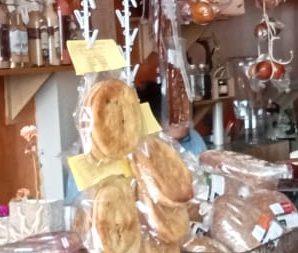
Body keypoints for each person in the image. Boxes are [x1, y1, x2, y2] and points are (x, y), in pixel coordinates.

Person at [62, 76, 205, 201]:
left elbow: (204, 186)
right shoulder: (96, 157)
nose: (184, 122)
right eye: (173, 119)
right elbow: (74, 210)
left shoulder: (192, 139)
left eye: (186, 117)